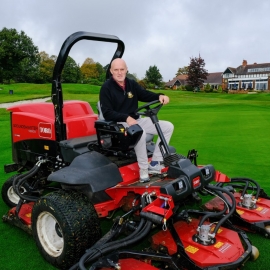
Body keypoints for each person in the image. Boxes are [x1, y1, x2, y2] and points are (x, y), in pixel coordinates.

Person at [99, 58, 174, 183]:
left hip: (135, 120)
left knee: (167, 126)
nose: (119, 72)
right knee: (140, 132)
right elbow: (107, 113)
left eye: (122, 69)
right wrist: (126, 118)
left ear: (126, 69)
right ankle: (144, 169)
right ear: (111, 71)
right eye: (116, 70)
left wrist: (159, 95)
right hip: (119, 123)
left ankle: (155, 163)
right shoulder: (106, 88)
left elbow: (144, 94)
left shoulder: (131, 84)